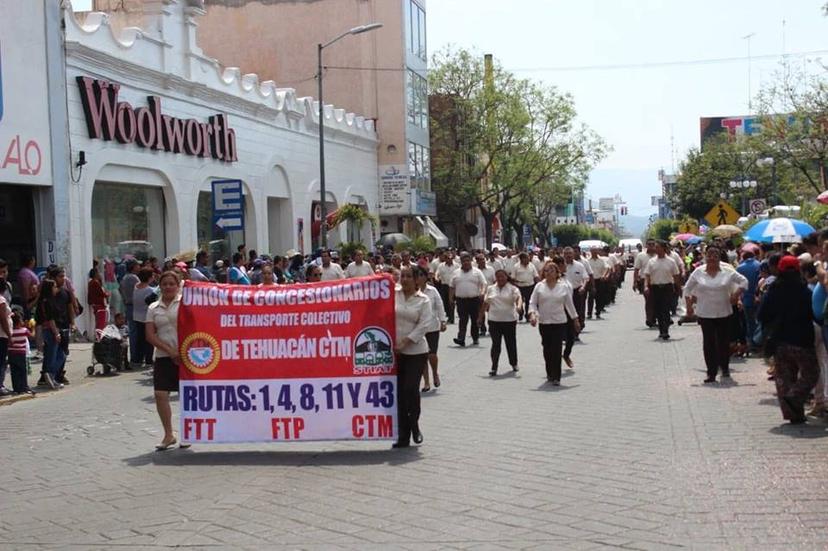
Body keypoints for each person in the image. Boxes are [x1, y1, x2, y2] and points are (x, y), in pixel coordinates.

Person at [758, 255, 819, 424]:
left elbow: (762, 315)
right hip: (803, 340)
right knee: (811, 373)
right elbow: (815, 313)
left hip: (780, 341)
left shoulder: (773, 290)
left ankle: (792, 413)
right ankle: (795, 400)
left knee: (785, 378)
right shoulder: (805, 290)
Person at [684, 247, 749, 384]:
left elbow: (744, 282)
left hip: (723, 312)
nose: (712, 258)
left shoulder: (727, 271)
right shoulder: (698, 272)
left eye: (715, 256)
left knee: (723, 342)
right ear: (705, 257)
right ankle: (711, 372)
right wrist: (689, 305)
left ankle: (724, 368)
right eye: (709, 255)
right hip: (705, 313)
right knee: (708, 343)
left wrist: (736, 294)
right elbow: (687, 289)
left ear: (719, 258)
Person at [145, 271, 189, 450]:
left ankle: (188, 432)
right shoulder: (153, 308)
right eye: (165, 284)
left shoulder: (186, 304)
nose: (168, 287)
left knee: (187, 396)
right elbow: (150, 334)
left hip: (186, 357)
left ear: (178, 285)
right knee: (160, 395)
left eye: (172, 284)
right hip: (164, 356)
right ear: (160, 286)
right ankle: (168, 434)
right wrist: (170, 352)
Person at [393, 265, 433, 448]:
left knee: (410, 389)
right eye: (403, 276)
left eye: (409, 276)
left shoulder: (423, 300)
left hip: (416, 351)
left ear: (417, 279)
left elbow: (424, 325)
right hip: (394, 352)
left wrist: (406, 342)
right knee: (399, 393)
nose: (406, 279)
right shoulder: (393, 294)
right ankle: (403, 435)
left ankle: (414, 423)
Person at [529, 261, 579, 386]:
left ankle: (556, 376)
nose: (548, 273)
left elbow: (569, 304)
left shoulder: (563, 287)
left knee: (556, 348)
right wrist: (532, 314)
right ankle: (549, 372)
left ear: (557, 273)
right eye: (546, 271)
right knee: (547, 348)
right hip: (544, 322)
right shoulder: (539, 286)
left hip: (559, 321)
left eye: (551, 270)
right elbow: (532, 303)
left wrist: (575, 319)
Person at [481, 268, 521, 376]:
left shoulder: (513, 288)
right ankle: (494, 367)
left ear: (506, 277)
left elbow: (518, 299)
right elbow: (485, 303)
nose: (500, 278)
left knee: (510, 343)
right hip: (494, 320)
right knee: (496, 344)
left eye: (502, 276)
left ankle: (514, 363)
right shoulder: (491, 288)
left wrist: (518, 307)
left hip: (509, 320)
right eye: (498, 277)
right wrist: (480, 317)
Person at [643, 241, 681, 340]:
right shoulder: (651, 262)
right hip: (655, 288)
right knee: (658, 310)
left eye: (658, 247)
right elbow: (647, 275)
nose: (656, 249)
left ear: (664, 248)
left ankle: (665, 330)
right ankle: (662, 330)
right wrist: (646, 286)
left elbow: (676, 275)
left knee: (665, 309)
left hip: (667, 288)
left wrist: (678, 287)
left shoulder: (671, 261)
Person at [417, 268, 446, 392]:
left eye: (421, 275)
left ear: (425, 277)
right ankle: (426, 382)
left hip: (432, 326)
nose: (419, 278)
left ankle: (435, 373)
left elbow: (439, 305)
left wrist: (443, 320)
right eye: (417, 276)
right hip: (418, 328)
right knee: (422, 356)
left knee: (432, 354)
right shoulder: (412, 291)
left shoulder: (432, 290)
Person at [449, 253, 487, 347]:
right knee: (463, 320)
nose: (466, 263)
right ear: (461, 262)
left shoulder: (477, 272)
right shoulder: (456, 273)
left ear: (471, 261)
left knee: (474, 320)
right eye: (464, 261)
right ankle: (461, 338)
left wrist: (482, 292)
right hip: (461, 300)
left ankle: (475, 337)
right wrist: (450, 298)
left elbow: (483, 284)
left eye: (467, 261)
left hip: (474, 300)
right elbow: (451, 286)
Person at [35, 279, 62, 390]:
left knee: (50, 355)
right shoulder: (48, 302)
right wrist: (56, 333)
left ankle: (49, 376)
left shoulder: (43, 301)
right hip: (50, 330)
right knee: (56, 355)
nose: (56, 289)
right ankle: (50, 375)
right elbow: (51, 319)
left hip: (47, 330)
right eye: (54, 286)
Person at [8, 312, 34, 395]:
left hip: (11, 353)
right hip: (21, 353)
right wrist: (32, 328)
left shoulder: (10, 332)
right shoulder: (24, 330)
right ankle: (23, 387)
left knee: (14, 371)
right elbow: (32, 336)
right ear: (19, 321)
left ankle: (16, 388)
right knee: (22, 371)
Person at [511, 252, 539, 322]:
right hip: (520, 286)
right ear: (522, 259)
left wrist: (539, 283)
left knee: (528, 301)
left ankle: (527, 315)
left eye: (528, 258)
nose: (528, 260)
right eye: (526, 258)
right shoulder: (516, 266)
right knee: (519, 301)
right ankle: (521, 313)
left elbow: (536, 276)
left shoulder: (532, 265)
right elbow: (513, 277)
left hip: (530, 286)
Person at [586, 247, 610, 320]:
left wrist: (604, 275)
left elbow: (607, 268)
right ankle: (589, 313)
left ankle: (598, 312)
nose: (594, 253)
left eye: (595, 251)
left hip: (599, 280)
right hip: (590, 281)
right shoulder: (587, 261)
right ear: (590, 252)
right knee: (591, 297)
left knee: (599, 297)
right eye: (593, 251)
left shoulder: (601, 260)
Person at [87, 268, 110, 333]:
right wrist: (107, 294)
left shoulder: (91, 282)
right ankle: (99, 338)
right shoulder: (95, 282)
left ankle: (98, 337)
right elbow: (101, 293)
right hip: (100, 304)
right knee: (101, 323)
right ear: (95, 274)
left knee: (99, 322)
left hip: (96, 304)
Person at [0, 276, 11, 395]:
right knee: (2, 361)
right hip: (2, 335)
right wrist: (9, 335)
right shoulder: (1, 300)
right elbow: (3, 319)